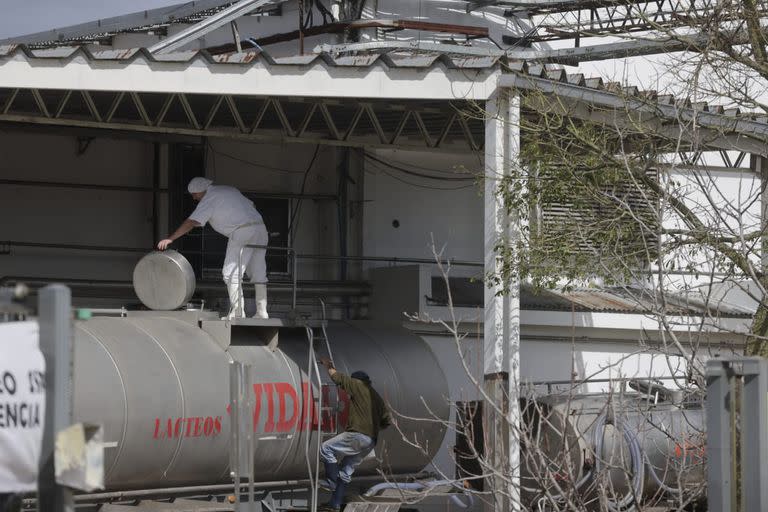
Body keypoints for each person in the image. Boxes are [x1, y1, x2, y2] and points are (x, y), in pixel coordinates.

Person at [157, 177, 269, 319]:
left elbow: (191, 222)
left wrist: (170, 238)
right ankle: (262, 312)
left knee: (231, 273)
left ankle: (238, 312)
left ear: (200, 191)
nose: (194, 198)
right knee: (258, 272)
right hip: (260, 229)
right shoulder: (229, 190)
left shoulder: (209, 198)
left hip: (242, 232)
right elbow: (251, 206)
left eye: (194, 194)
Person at [318, 358, 392, 512]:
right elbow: (387, 421)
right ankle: (335, 505)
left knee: (325, 448)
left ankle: (332, 482)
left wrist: (328, 366)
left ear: (357, 380)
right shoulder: (376, 397)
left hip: (357, 434)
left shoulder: (358, 385)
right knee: (346, 470)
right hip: (371, 441)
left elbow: (338, 378)